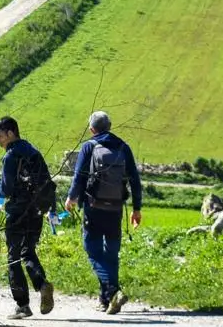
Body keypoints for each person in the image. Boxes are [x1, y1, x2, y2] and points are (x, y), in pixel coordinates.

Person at [64, 110, 142, 314]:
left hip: (93, 208)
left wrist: (71, 198)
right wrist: (137, 209)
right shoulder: (123, 147)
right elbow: (135, 180)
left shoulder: (89, 146)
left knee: (92, 250)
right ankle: (105, 299)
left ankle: (113, 290)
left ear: (91, 129)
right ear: (110, 126)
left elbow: (79, 176)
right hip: (116, 209)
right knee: (111, 253)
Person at [0, 116, 56, 319]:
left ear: (10, 133)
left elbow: (6, 190)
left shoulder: (11, 156)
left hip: (17, 213)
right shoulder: (33, 151)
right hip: (36, 210)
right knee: (28, 251)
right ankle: (42, 284)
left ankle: (23, 306)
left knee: (13, 258)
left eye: (0, 136)